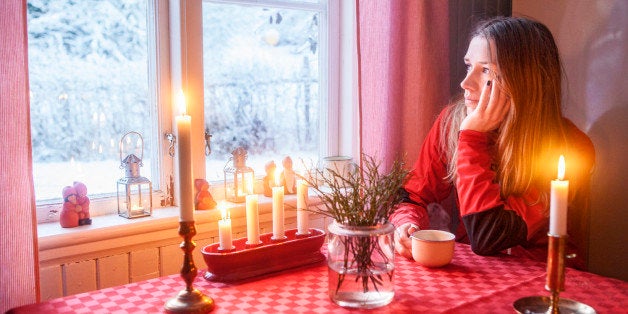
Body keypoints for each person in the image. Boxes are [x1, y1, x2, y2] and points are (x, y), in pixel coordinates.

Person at [390, 16, 595, 269]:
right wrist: (405, 224)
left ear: (525, 81)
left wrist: (472, 140)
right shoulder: (452, 123)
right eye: (469, 66)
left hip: (545, 280)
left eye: (486, 70)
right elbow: (412, 195)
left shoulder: (571, 148)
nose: (465, 83)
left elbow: (489, 236)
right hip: (475, 273)